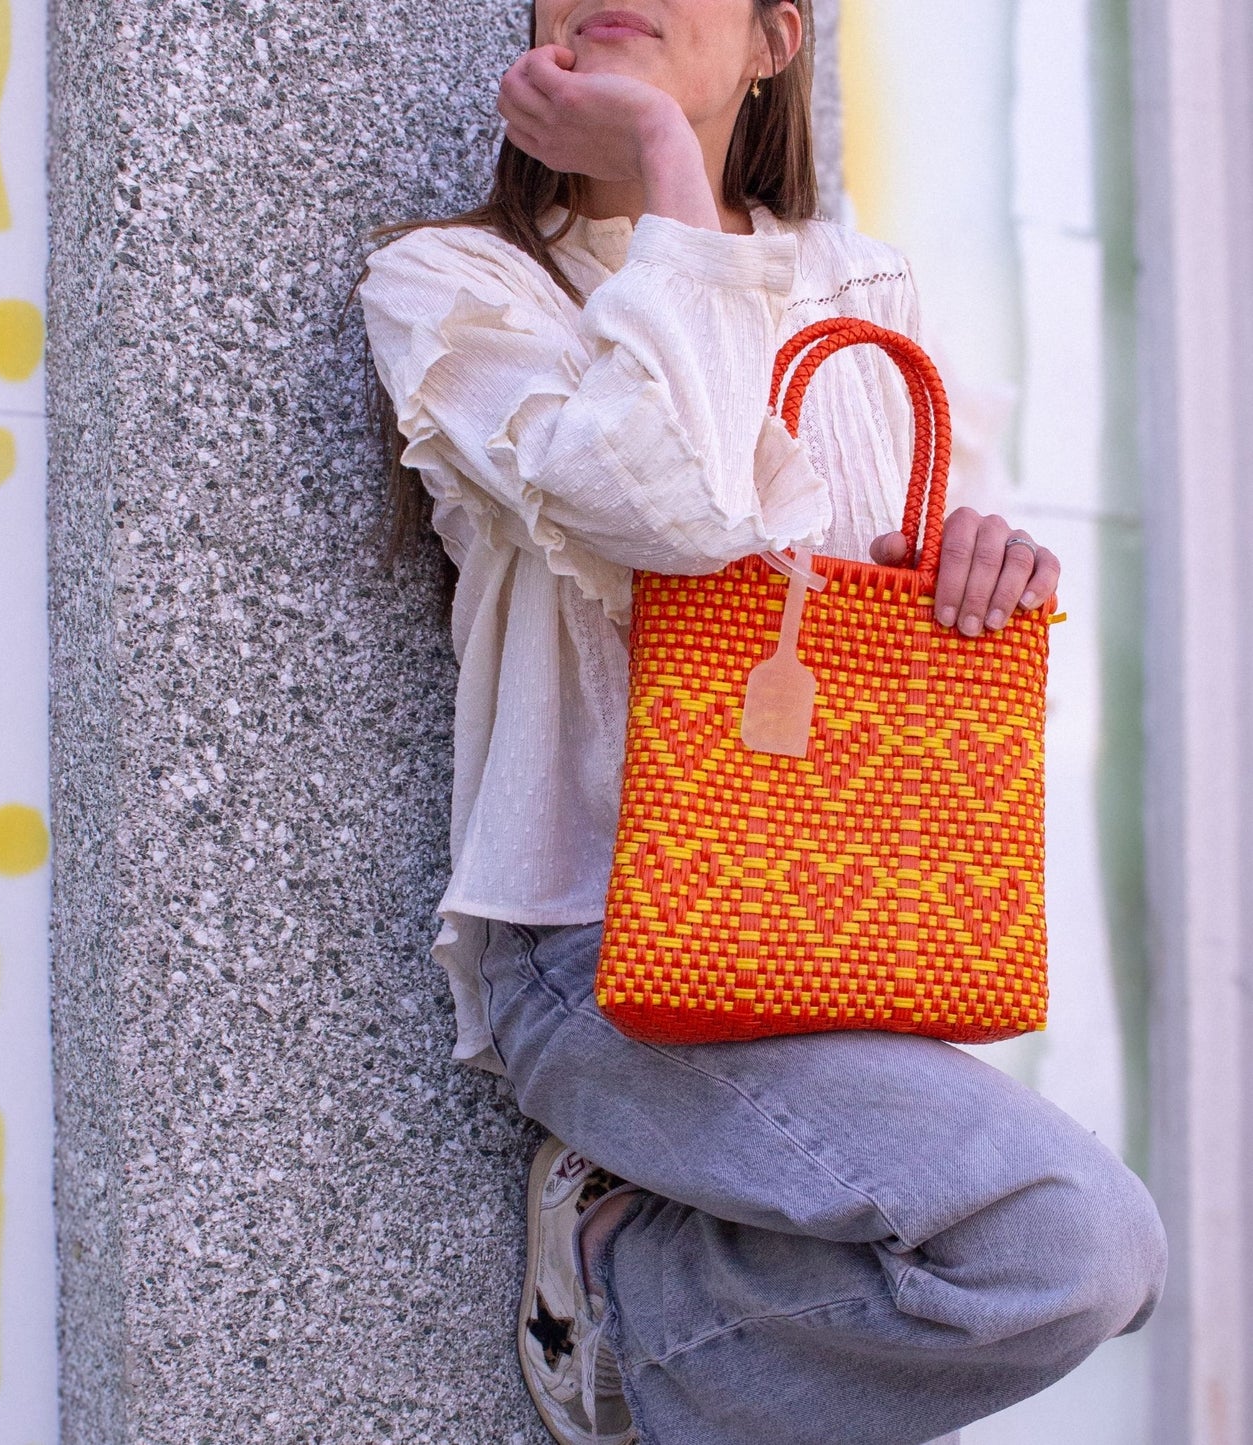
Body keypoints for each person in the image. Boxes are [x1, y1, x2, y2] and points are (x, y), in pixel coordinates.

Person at [359, 3, 1167, 1442]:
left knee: (1073, 1266)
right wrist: (670, 170)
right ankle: (622, 1290)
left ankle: (653, 1273)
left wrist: (968, 562)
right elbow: (668, 511)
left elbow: (844, 594)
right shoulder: (457, 283)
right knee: (1067, 1244)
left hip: (829, 931)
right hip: (592, 948)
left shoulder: (857, 288)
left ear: (775, 37)